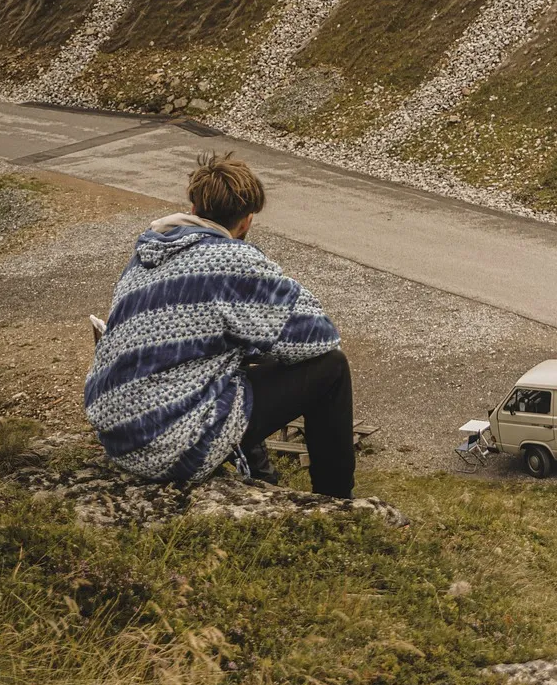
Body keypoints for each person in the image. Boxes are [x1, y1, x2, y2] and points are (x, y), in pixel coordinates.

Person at [84, 151, 355, 498]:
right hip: (170, 444)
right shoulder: (232, 261)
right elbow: (319, 336)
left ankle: (262, 476)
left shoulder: (147, 253)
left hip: (118, 433)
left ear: (194, 209)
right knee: (331, 368)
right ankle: (336, 502)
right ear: (247, 221)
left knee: (232, 357)